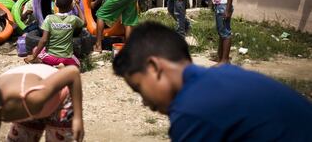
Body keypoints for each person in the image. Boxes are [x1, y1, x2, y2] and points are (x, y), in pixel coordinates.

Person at [113, 21, 312, 141]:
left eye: (139, 88)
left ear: (154, 67)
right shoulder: (223, 76)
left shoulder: (192, 110)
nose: (145, 103)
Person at [0, 55, 84, 142]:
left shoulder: (31, 98)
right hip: (31, 106)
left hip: (58, 100)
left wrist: (78, 118)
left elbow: (72, 72)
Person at [24, 0, 85, 67]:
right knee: (78, 64)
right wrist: (78, 5)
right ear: (70, 7)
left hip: (50, 57)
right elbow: (84, 23)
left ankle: (46, 63)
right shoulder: (73, 19)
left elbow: (44, 40)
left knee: (35, 49)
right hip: (67, 58)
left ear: (56, 4)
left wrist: (33, 56)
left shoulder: (49, 18)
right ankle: (63, 66)